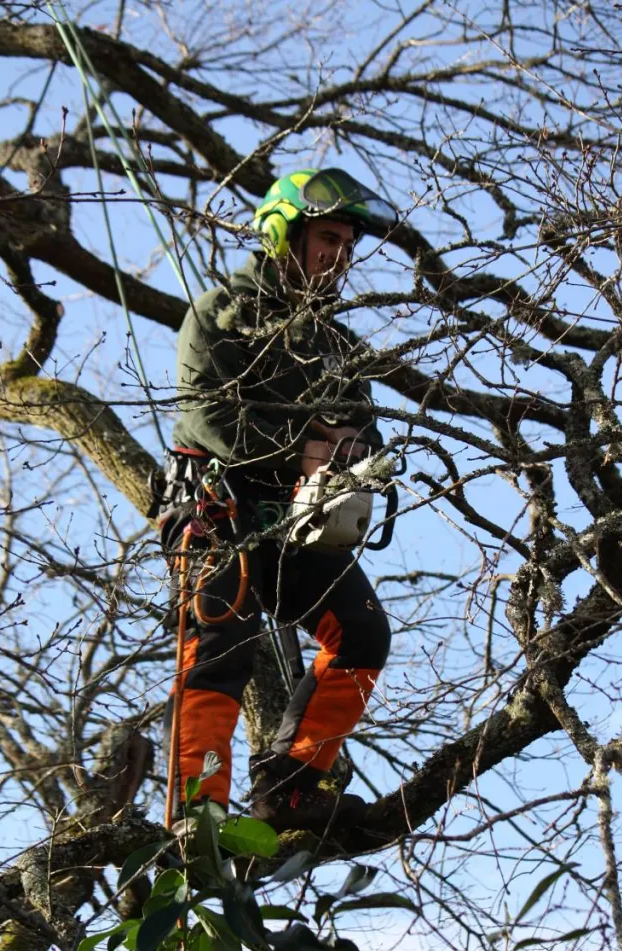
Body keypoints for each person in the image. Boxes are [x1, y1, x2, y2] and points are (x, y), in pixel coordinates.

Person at [158, 168, 397, 833]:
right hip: (217, 505)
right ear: (281, 235)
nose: (338, 256)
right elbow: (206, 416)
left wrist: (354, 460)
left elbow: (364, 434)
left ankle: (291, 787)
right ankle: (198, 818)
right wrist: (300, 446)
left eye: (348, 244)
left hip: (298, 521)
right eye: (327, 238)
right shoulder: (221, 313)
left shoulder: (337, 348)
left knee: (364, 629)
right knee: (221, 641)